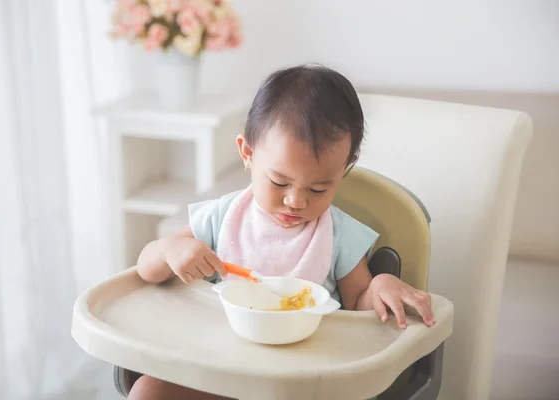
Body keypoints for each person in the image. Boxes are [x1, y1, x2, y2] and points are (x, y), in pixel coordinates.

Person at [128, 64, 436, 400]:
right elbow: (146, 267)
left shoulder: (339, 236)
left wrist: (379, 286)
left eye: (319, 189)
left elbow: (359, 308)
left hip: (302, 384)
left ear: (345, 167)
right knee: (148, 390)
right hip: (220, 370)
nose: (295, 201)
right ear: (248, 153)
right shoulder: (222, 217)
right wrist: (170, 251)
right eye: (279, 182)